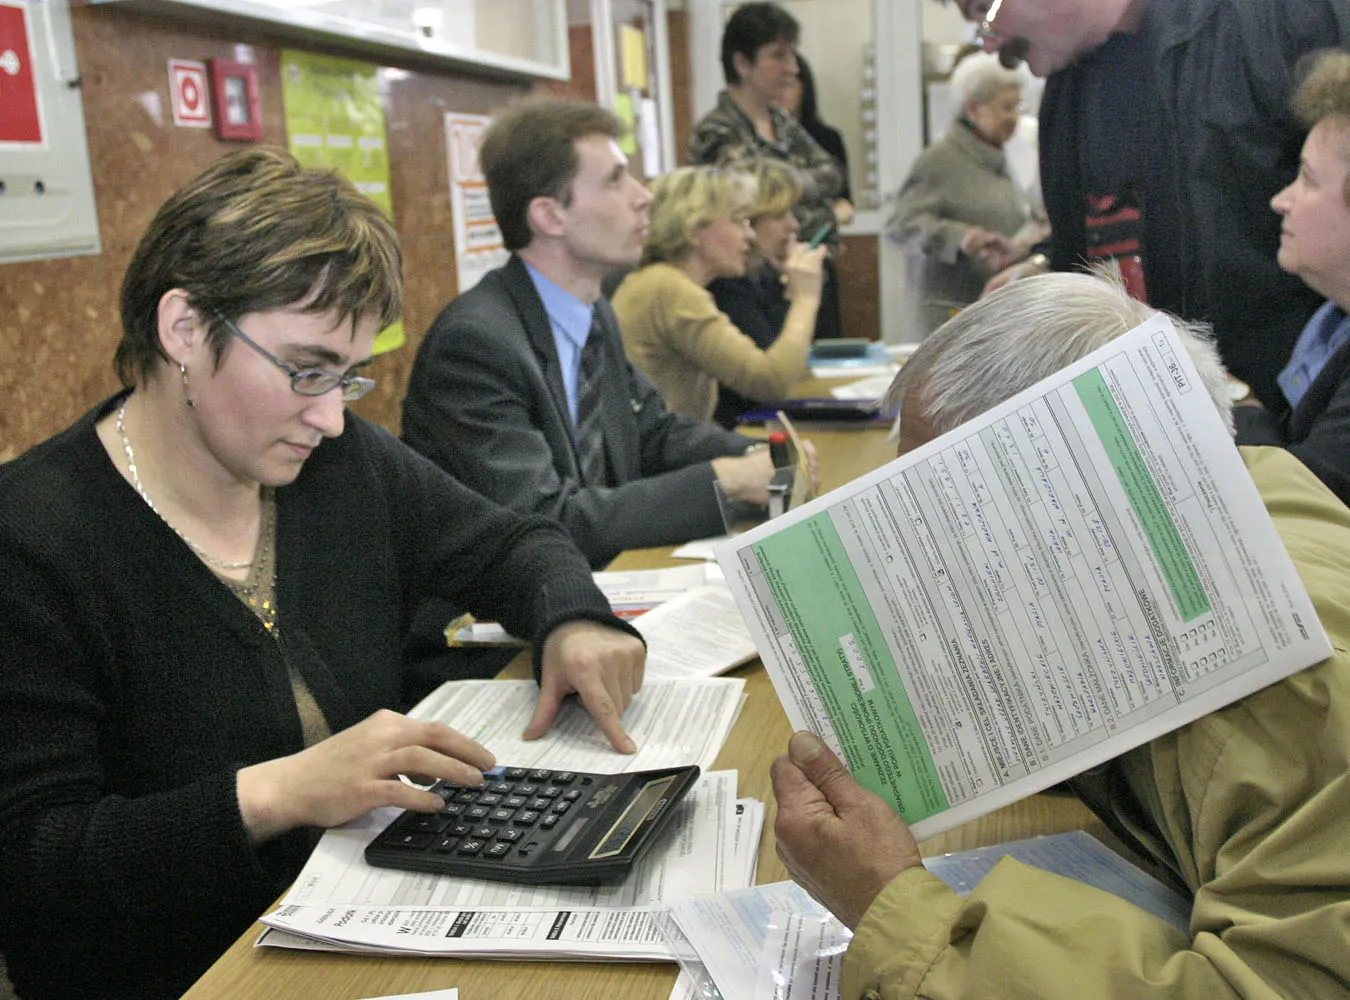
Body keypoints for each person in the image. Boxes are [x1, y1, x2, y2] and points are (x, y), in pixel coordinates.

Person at [0, 149, 647, 1000]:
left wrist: (574, 618)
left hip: (370, 927)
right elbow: (35, 864)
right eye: (306, 371)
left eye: (347, 377)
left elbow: (512, 543)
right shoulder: (34, 538)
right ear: (184, 328)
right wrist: (277, 794)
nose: (333, 416)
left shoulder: (340, 469)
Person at [771, 272, 1350, 999]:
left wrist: (889, 904)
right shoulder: (1240, 497)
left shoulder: (1291, 685)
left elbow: (1263, 989)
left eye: (940, 512)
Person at [402, 100, 777, 568]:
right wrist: (727, 478)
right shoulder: (475, 346)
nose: (644, 196)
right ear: (550, 217)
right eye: (616, 180)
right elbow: (543, 521)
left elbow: (652, 432)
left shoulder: (593, 310)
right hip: (488, 626)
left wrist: (765, 453)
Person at [958, 0, 1350, 410]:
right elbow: (1112, 225)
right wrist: (1043, 261)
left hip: (1293, 416)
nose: (989, 46)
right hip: (1150, 419)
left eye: (985, 8)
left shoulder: (1274, 21)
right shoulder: (1068, 85)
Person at [611, 165, 825, 424]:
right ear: (693, 229)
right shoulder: (669, 289)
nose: (749, 235)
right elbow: (771, 382)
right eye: (738, 220)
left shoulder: (661, 282)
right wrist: (806, 299)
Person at [690, 2, 848, 339]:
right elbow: (754, 202)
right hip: (755, 291)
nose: (791, 69)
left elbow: (832, 173)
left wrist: (783, 187)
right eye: (778, 56)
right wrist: (813, 202)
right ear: (742, 63)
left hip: (810, 273)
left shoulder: (780, 122)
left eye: (792, 56)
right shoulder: (717, 131)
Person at [1236, 48, 1350, 507]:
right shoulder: (1331, 323)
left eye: (1306, 179)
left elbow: (1302, 500)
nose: (1281, 200)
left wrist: (1239, 406)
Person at [886, 51, 1047, 331]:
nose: (1014, 118)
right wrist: (961, 238)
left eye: (1018, 108)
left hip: (1003, 309)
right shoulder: (940, 161)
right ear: (973, 109)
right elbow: (900, 225)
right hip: (954, 315)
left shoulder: (1016, 153)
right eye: (1006, 107)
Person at [708, 159, 816, 428]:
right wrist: (805, 297)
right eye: (780, 216)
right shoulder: (728, 283)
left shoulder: (760, 274)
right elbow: (774, 374)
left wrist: (785, 283)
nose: (793, 225)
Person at [781, 52, 851, 204]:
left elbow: (845, 203)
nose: (780, 94)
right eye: (776, 86)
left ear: (804, 88)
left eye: (787, 85)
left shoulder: (828, 138)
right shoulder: (761, 135)